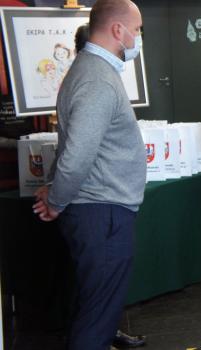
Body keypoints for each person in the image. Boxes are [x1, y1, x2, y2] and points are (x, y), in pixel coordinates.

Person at [32, 1, 146, 349]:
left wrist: (56, 193)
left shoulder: (92, 71)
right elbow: (78, 155)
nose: (138, 38)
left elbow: (75, 145)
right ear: (117, 31)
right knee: (96, 317)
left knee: (94, 308)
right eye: (137, 31)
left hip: (100, 208)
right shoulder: (97, 78)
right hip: (102, 211)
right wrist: (56, 199)